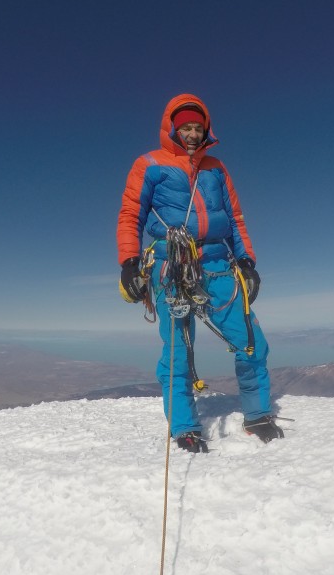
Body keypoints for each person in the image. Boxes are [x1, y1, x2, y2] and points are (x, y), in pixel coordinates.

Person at [116, 93, 283, 452]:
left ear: (206, 129)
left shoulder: (216, 168)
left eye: (197, 127)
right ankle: (185, 427)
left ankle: (257, 415)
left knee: (251, 341)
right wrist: (129, 262)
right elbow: (131, 216)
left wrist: (247, 261)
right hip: (169, 265)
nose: (192, 134)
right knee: (177, 350)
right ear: (172, 130)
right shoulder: (149, 164)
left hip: (219, 265)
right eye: (185, 128)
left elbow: (235, 219)